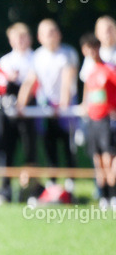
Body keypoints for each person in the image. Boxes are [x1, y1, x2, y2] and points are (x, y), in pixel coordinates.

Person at [16, 19, 79, 190]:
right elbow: (30, 80)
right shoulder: (38, 56)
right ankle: (52, 182)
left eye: (54, 31)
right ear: (40, 36)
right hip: (46, 108)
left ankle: (70, 183)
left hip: (65, 109)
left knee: (68, 146)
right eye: (48, 32)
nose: (52, 35)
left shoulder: (68, 53)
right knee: (49, 144)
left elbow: (68, 79)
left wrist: (63, 104)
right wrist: (20, 103)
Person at [0, 22, 38, 198]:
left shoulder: (36, 58)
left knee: (29, 150)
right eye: (16, 38)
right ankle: (5, 189)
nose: (20, 41)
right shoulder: (5, 61)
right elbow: (0, 85)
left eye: (23, 37)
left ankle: (29, 189)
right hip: (9, 111)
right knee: (6, 149)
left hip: (29, 110)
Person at [79, 33, 116, 208]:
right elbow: (87, 96)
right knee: (98, 162)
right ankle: (104, 197)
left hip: (107, 121)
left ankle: (113, 195)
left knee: (109, 161)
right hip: (93, 121)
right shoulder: (89, 74)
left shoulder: (109, 70)